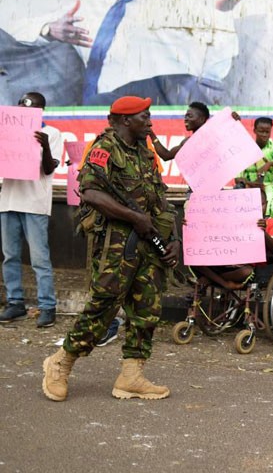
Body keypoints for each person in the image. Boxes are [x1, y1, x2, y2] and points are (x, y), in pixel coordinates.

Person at [41, 96, 181, 402]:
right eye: (145, 117)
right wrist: (134, 217)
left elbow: (160, 198)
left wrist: (173, 240)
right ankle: (61, 363)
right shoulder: (105, 149)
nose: (150, 122)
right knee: (103, 307)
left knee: (148, 309)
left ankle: (131, 375)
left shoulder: (145, 154)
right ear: (125, 120)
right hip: (117, 243)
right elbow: (90, 193)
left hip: (149, 244)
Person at [29, 0, 249, 106]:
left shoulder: (178, 5)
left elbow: (215, 63)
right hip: (96, 117)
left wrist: (223, 11)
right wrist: (49, 29)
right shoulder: (84, 9)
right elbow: (15, 31)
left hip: (159, 116)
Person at [0, 92, 63, 327]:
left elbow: (49, 169)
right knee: (10, 256)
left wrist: (44, 145)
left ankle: (47, 306)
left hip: (34, 203)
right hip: (8, 200)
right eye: (21, 104)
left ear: (42, 110)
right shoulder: (6, 132)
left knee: (39, 258)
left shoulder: (53, 134)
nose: (25, 109)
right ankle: (15, 303)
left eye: (32, 106)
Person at [236, 117, 273, 218]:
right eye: (261, 131)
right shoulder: (245, 148)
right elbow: (237, 178)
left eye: (267, 132)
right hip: (248, 186)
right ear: (254, 130)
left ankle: (267, 226)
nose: (264, 135)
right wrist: (249, 183)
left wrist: (270, 164)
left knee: (271, 201)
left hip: (267, 185)